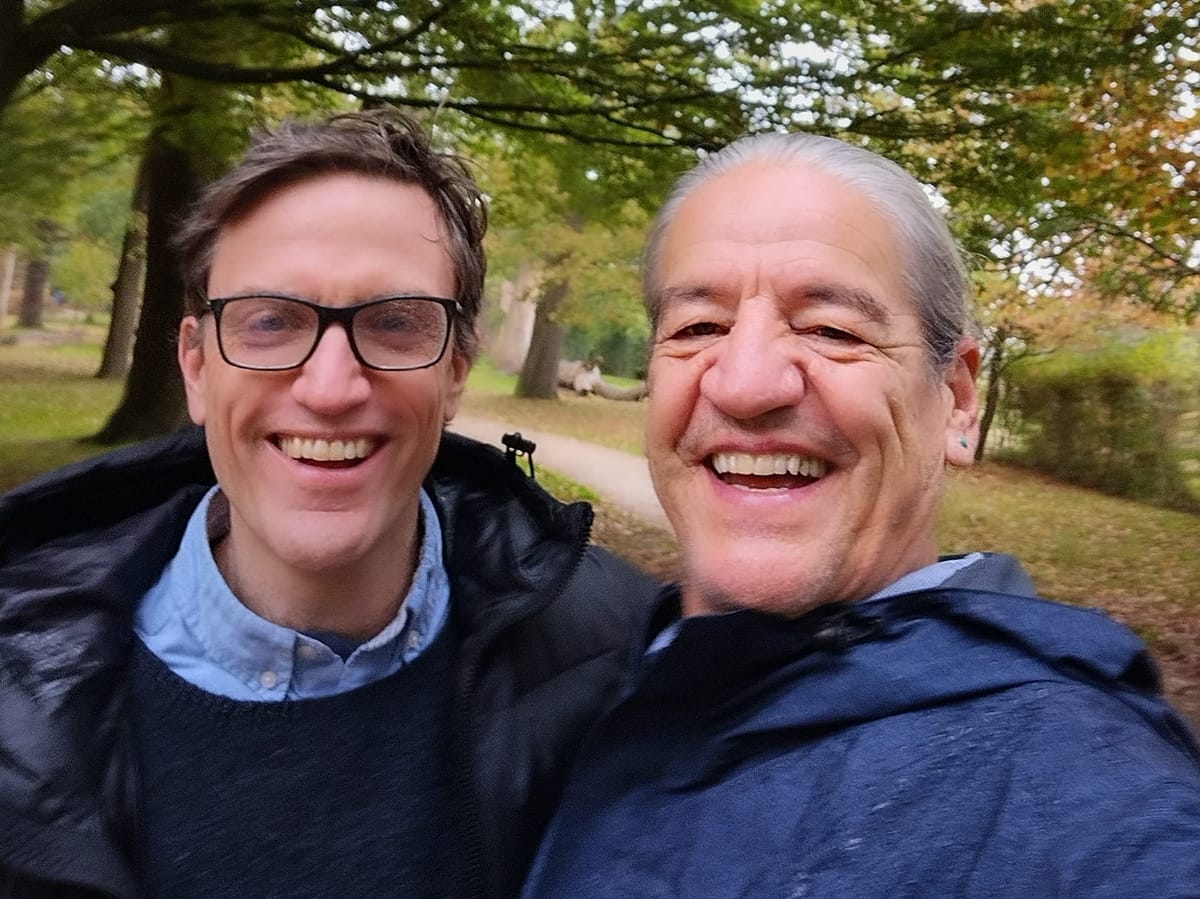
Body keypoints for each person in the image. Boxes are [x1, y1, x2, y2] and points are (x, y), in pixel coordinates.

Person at [0, 108, 660, 898]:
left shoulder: (623, 651)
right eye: (272, 321)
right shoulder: (17, 692)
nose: (332, 387)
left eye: (395, 323)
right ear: (197, 365)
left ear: (455, 371)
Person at [520, 132, 1200, 897]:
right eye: (698, 328)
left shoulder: (1091, 801)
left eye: (832, 330)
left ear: (958, 401)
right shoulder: (558, 695)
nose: (745, 384)